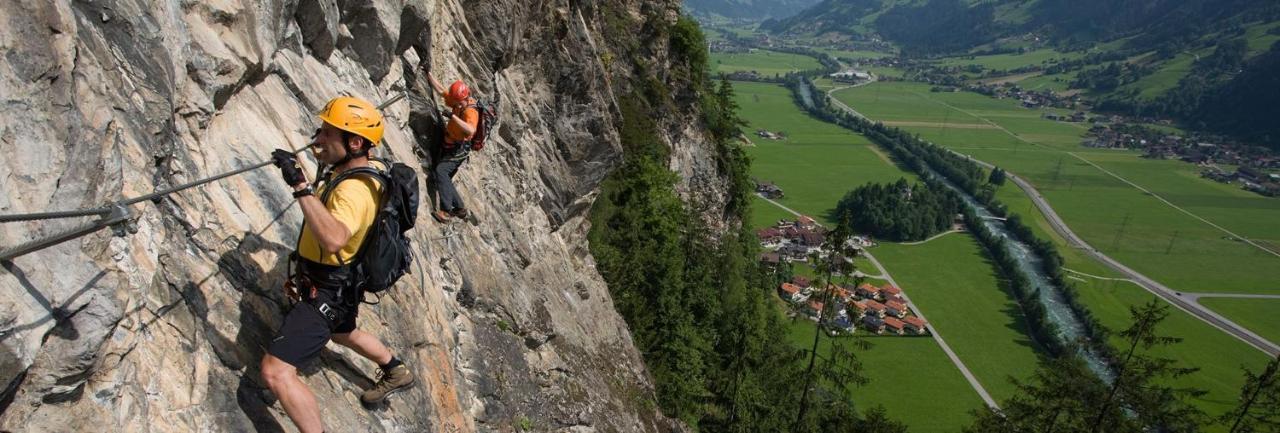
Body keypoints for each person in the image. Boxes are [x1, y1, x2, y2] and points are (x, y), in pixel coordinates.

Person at [261, 96, 415, 433]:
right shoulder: (365, 169)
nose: (318, 139)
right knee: (344, 332)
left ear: (354, 142)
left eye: (327, 133)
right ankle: (396, 369)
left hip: (326, 291)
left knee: (276, 372)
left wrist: (300, 187)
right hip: (343, 283)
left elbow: (333, 239)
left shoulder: (355, 191)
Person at [424, 70, 480, 223]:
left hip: (460, 147)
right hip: (451, 143)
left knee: (441, 171)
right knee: (445, 176)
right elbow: (443, 91)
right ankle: (460, 208)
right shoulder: (458, 100)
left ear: (464, 98)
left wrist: (453, 117)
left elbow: (471, 130)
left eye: (457, 103)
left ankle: (447, 211)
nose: (455, 104)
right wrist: (429, 74)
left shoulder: (470, 111)